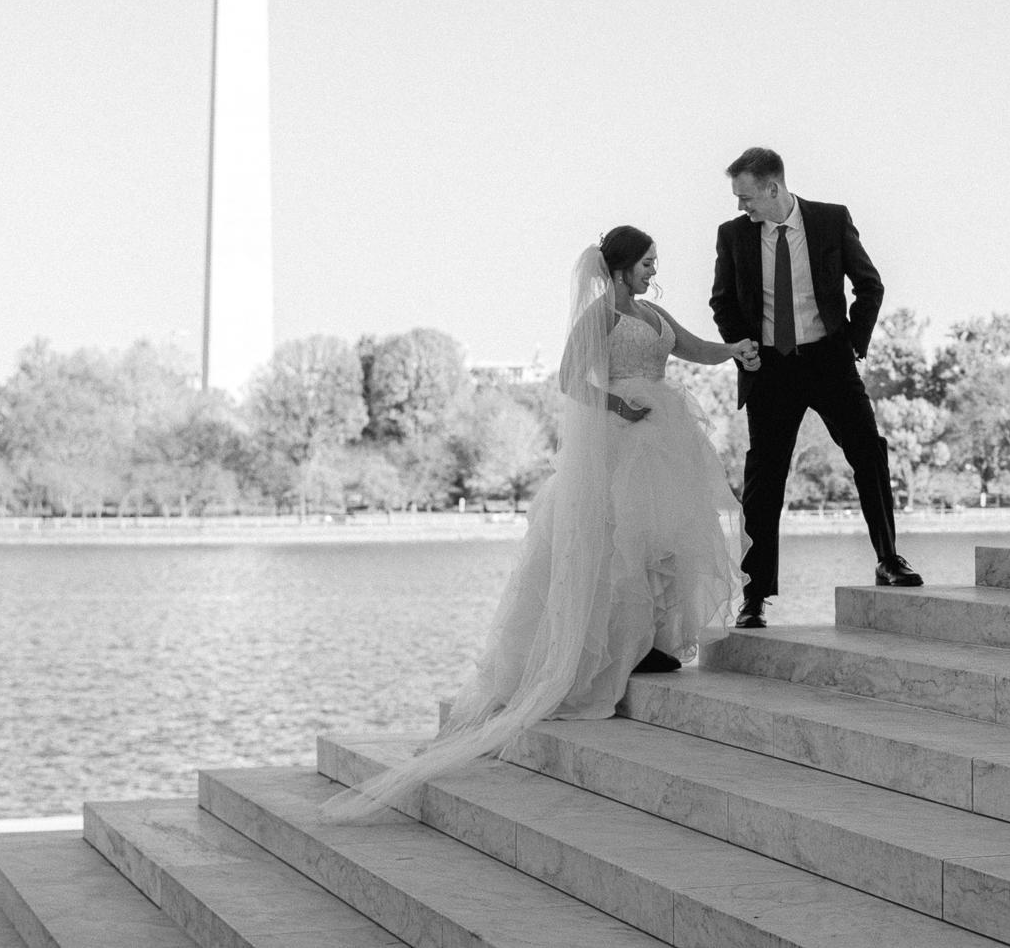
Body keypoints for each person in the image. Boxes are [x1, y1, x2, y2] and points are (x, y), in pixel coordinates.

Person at [323, 226, 757, 820]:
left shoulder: (654, 315)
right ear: (621, 267)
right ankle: (607, 647)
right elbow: (569, 379)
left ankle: (650, 641)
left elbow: (693, 347)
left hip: (662, 437)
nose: (654, 270)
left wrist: (732, 350)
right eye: (647, 262)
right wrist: (617, 404)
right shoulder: (600, 317)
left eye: (655, 262)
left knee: (660, 541)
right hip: (620, 438)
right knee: (614, 542)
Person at [711, 147, 921, 629]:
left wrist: (853, 344)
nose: (741, 206)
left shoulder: (830, 220)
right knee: (764, 481)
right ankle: (754, 596)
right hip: (769, 369)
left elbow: (869, 286)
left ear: (773, 188)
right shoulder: (733, 235)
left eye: (746, 197)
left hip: (829, 361)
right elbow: (722, 301)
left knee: (869, 453)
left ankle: (889, 559)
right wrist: (743, 347)